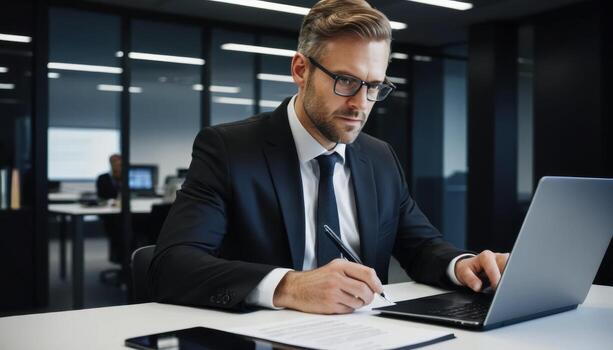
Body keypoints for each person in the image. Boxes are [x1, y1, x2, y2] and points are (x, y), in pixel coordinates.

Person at [150, 0, 509, 314]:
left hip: (367, 337)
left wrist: (462, 265)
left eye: (373, 86)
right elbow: (173, 266)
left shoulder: (379, 157)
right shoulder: (229, 149)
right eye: (345, 81)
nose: (360, 104)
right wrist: (290, 286)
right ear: (300, 70)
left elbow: (421, 246)